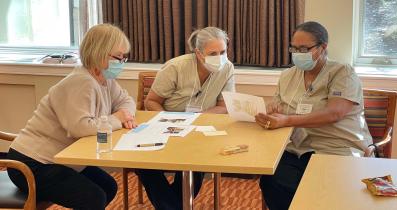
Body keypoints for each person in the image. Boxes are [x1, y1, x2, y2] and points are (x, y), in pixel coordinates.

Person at [7, 24, 137, 210]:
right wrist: (118, 118)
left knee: (108, 187)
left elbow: (127, 101)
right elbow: (80, 128)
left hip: (59, 159)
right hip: (31, 164)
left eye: (124, 57)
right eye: (118, 57)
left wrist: (125, 114)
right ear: (99, 53)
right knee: (93, 198)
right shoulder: (81, 81)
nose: (122, 62)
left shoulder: (105, 79)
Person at [255, 21, 373, 210]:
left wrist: (287, 120)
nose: (298, 53)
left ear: (322, 47)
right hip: (297, 148)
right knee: (271, 182)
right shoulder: (287, 76)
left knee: (322, 190)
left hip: (336, 148)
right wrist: (273, 111)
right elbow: (277, 105)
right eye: (294, 48)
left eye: (304, 48)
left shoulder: (342, 73)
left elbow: (335, 113)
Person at [136, 26, 235, 210]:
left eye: (223, 52)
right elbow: (151, 102)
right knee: (142, 163)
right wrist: (171, 122)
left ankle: (172, 206)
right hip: (165, 128)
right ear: (198, 53)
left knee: (196, 162)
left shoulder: (227, 68)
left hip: (200, 131)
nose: (220, 58)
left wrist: (196, 119)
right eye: (213, 53)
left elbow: (224, 107)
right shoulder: (176, 67)